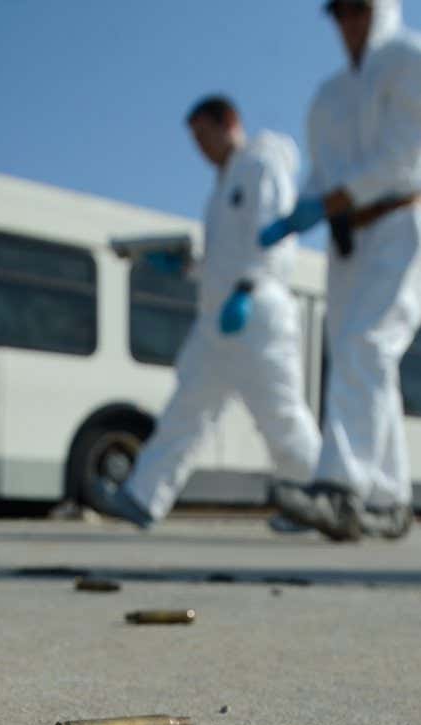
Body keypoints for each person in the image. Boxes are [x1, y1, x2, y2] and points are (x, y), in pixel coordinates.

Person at [261, 0, 421, 542]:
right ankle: (389, 500)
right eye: (338, 12)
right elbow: (322, 172)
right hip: (349, 240)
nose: (348, 22)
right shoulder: (328, 96)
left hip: (400, 222)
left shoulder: (414, 58)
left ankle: (339, 488)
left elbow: (404, 157)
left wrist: (336, 198)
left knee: (368, 344)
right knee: (356, 356)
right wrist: (300, 209)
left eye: (357, 9)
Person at [95, 95, 321, 528]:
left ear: (229, 122)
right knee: (186, 408)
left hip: (255, 311)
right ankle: (144, 497)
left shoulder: (260, 165)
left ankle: (312, 498)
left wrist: (247, 288)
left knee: (281, 416)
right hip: (216, 319)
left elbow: (273, 239)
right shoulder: (220, 189)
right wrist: (186, 266)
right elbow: (225, 256)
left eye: (203, 134)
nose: (200, 146)